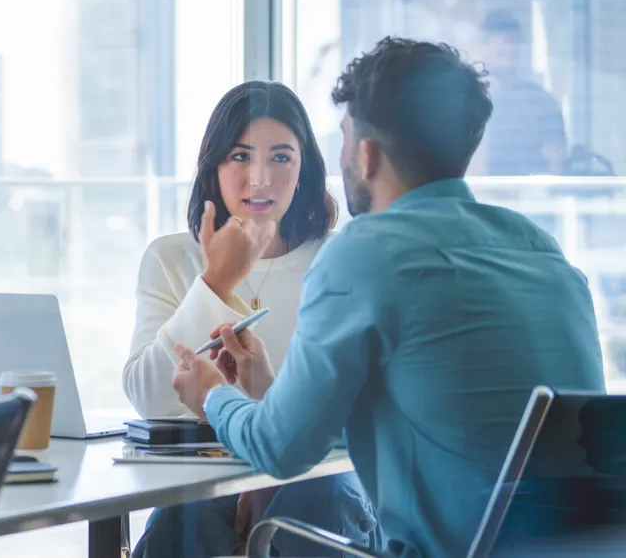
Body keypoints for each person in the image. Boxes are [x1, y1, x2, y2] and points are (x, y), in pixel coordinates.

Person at [171, 37, 606, 558]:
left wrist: (212, 396)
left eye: (345, 137)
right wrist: (272, 390)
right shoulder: (544, 253)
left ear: (367, 154)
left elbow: (278, 451)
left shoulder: (364, 254)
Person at [124, 81, 379, 557]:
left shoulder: (340, 260)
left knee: (317, 499)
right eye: (240, 157)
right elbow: (150, 400)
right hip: (206, 479)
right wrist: (215, 284)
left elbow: (360, 413)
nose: (259, 178)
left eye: (280, 157)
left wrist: (270, 469)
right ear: (214, 167)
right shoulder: (171, 258)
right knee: (187, 515)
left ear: (304, 170)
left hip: (323, 477)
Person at [477, 10, 567, 175]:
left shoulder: (541, 102)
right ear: (483, 48)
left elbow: (556, 162)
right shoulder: (465, 99)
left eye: (515, 43)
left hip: (527, 196)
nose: (511, 48)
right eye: (503, 43)